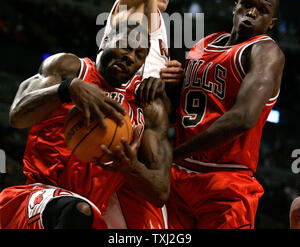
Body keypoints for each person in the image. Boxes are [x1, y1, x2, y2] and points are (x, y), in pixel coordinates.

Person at [100, 0, 236, 228]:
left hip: (147, 137)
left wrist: (166, 77)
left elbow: (151, 76)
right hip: (118, 130)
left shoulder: (158, 28)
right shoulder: (133, 5)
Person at [0, 21, 172, 229]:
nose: (130, 57)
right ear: (106, 40)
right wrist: (66, 89)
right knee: (77, 212)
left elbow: (160, 192)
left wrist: (131, 167)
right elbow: (17, 116)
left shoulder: (147, 106)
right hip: (39, 197)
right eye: (126, 46)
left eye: (139, 55)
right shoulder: (69, 68)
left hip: (93, 213)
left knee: (83, 213)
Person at [166, 0, 285, 229]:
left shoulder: (266, 52)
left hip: (225, 181)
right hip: (177, 178)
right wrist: (170, 82)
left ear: (271, 23)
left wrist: (173, 154)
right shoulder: (203, 44)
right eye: (247, 4)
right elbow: (182, 108)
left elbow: (243, 118)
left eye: (262, 10)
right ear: (235, 8)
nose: (252, 12)